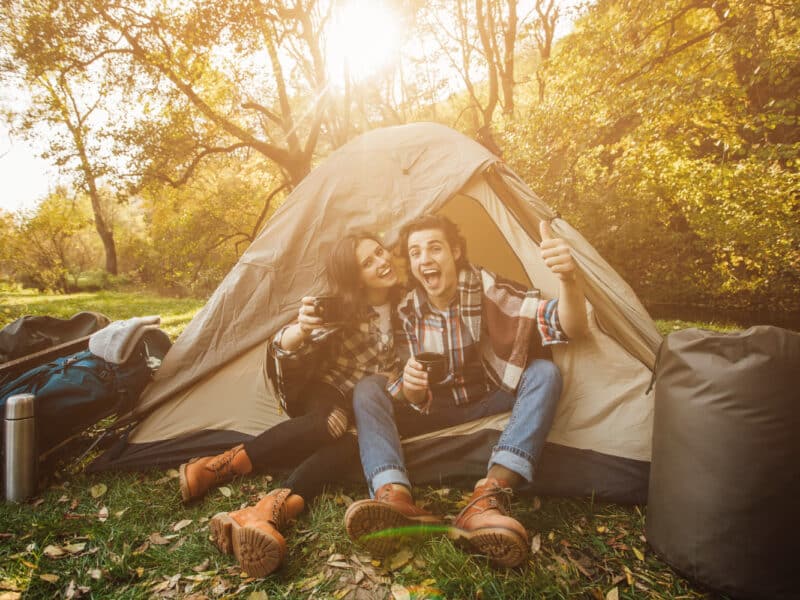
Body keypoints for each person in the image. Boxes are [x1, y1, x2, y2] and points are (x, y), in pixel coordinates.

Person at [344, 214, 589, 568]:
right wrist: (410, 390)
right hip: (434, 407)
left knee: (544, 372)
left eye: (434, 248)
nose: (424, 259)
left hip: (490, 396)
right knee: (368, 388)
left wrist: (568, 279)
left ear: (455, 251)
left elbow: (571, 326)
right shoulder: (406, 309)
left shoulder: (487, 288)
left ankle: (488, 497)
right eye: (415, 253)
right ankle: (393, 496)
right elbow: (399, 382)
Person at [178, 231, 402, 577]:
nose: (381, 262)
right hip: (326, 389)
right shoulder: (344, 306)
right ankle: (220, 466)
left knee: (349, 443)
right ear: (355, 276)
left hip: (367, 401)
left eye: (380, 252)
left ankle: (266, 512)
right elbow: (286, 343)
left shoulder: (409, 302)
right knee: (331, 421)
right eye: (368, 262)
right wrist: (300, 329)